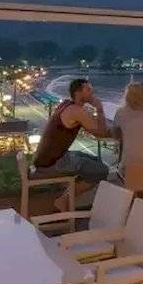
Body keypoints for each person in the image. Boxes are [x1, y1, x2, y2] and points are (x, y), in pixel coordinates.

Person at [31, 78, 116, 210]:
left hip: (46, 158)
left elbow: (93, 126)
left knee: (94, 159)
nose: (92, 92)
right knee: (102, 170)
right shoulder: (76, 111)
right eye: (88, 89)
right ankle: (64, 200)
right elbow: (101, 132)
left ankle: (69, 195)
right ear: (78, 92)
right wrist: (99, 109)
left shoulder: (66, 104)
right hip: (53, 163)